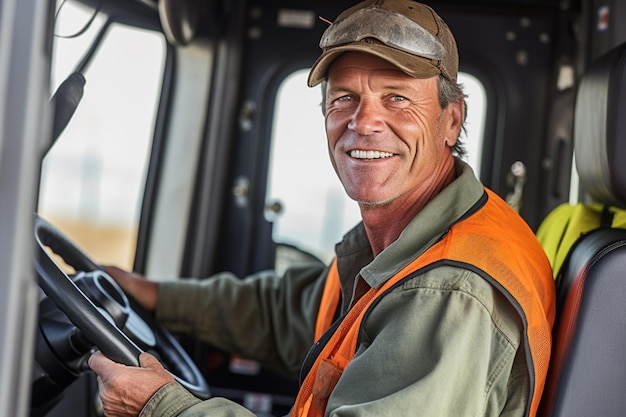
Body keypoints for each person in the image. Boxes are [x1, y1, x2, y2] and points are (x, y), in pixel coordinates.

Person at [88, 0, 556, 416]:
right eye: (344, 98)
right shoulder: (401, 246)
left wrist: (162, 407)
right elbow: (286, 313)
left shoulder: (449, 292)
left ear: (451, 120)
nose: (364, 121)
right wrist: (149, 293)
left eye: (396, 97)